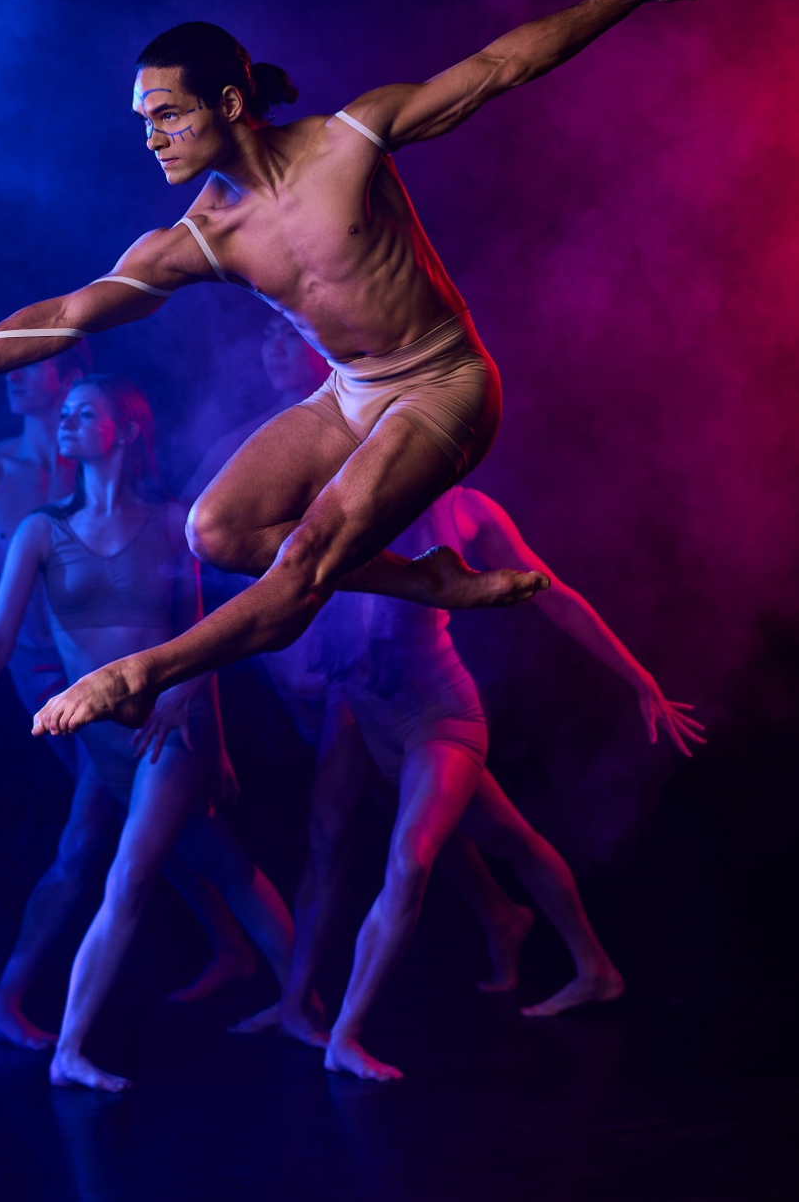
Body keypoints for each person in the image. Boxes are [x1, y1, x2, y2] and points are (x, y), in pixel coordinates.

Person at [0, 0, 734, 744]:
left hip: (445, 385)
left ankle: (142, 672)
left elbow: (501, 66)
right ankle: (427, 582)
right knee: (216, 531)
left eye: (168, 115)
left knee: (305, 562)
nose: (151, 138)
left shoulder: (348, 142)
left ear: (229, 102)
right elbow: (68, 316)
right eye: (142, 121)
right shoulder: (201, 237)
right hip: (348, 392)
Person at [190, 320, 703, 1072]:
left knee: (412, 859)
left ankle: (346, 1036)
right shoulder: (349, 499)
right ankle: (313, 1000)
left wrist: (641, 681)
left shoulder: (470, 512)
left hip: (439, 717)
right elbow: (274, 572)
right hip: (359, 708)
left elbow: (555, 597)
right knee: (374, 840)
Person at [0, 376, 296, 1091]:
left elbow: (200, 634)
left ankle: (71, 1048)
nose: (67, 422)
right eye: (67, 412)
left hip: (169, 731)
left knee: (129, 872)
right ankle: (302, 1000)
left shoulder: (174, 520)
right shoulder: (40, 530)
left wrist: (212, 733)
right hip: (101, 742)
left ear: (127, 429)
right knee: (226, 866)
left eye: (87, 413)